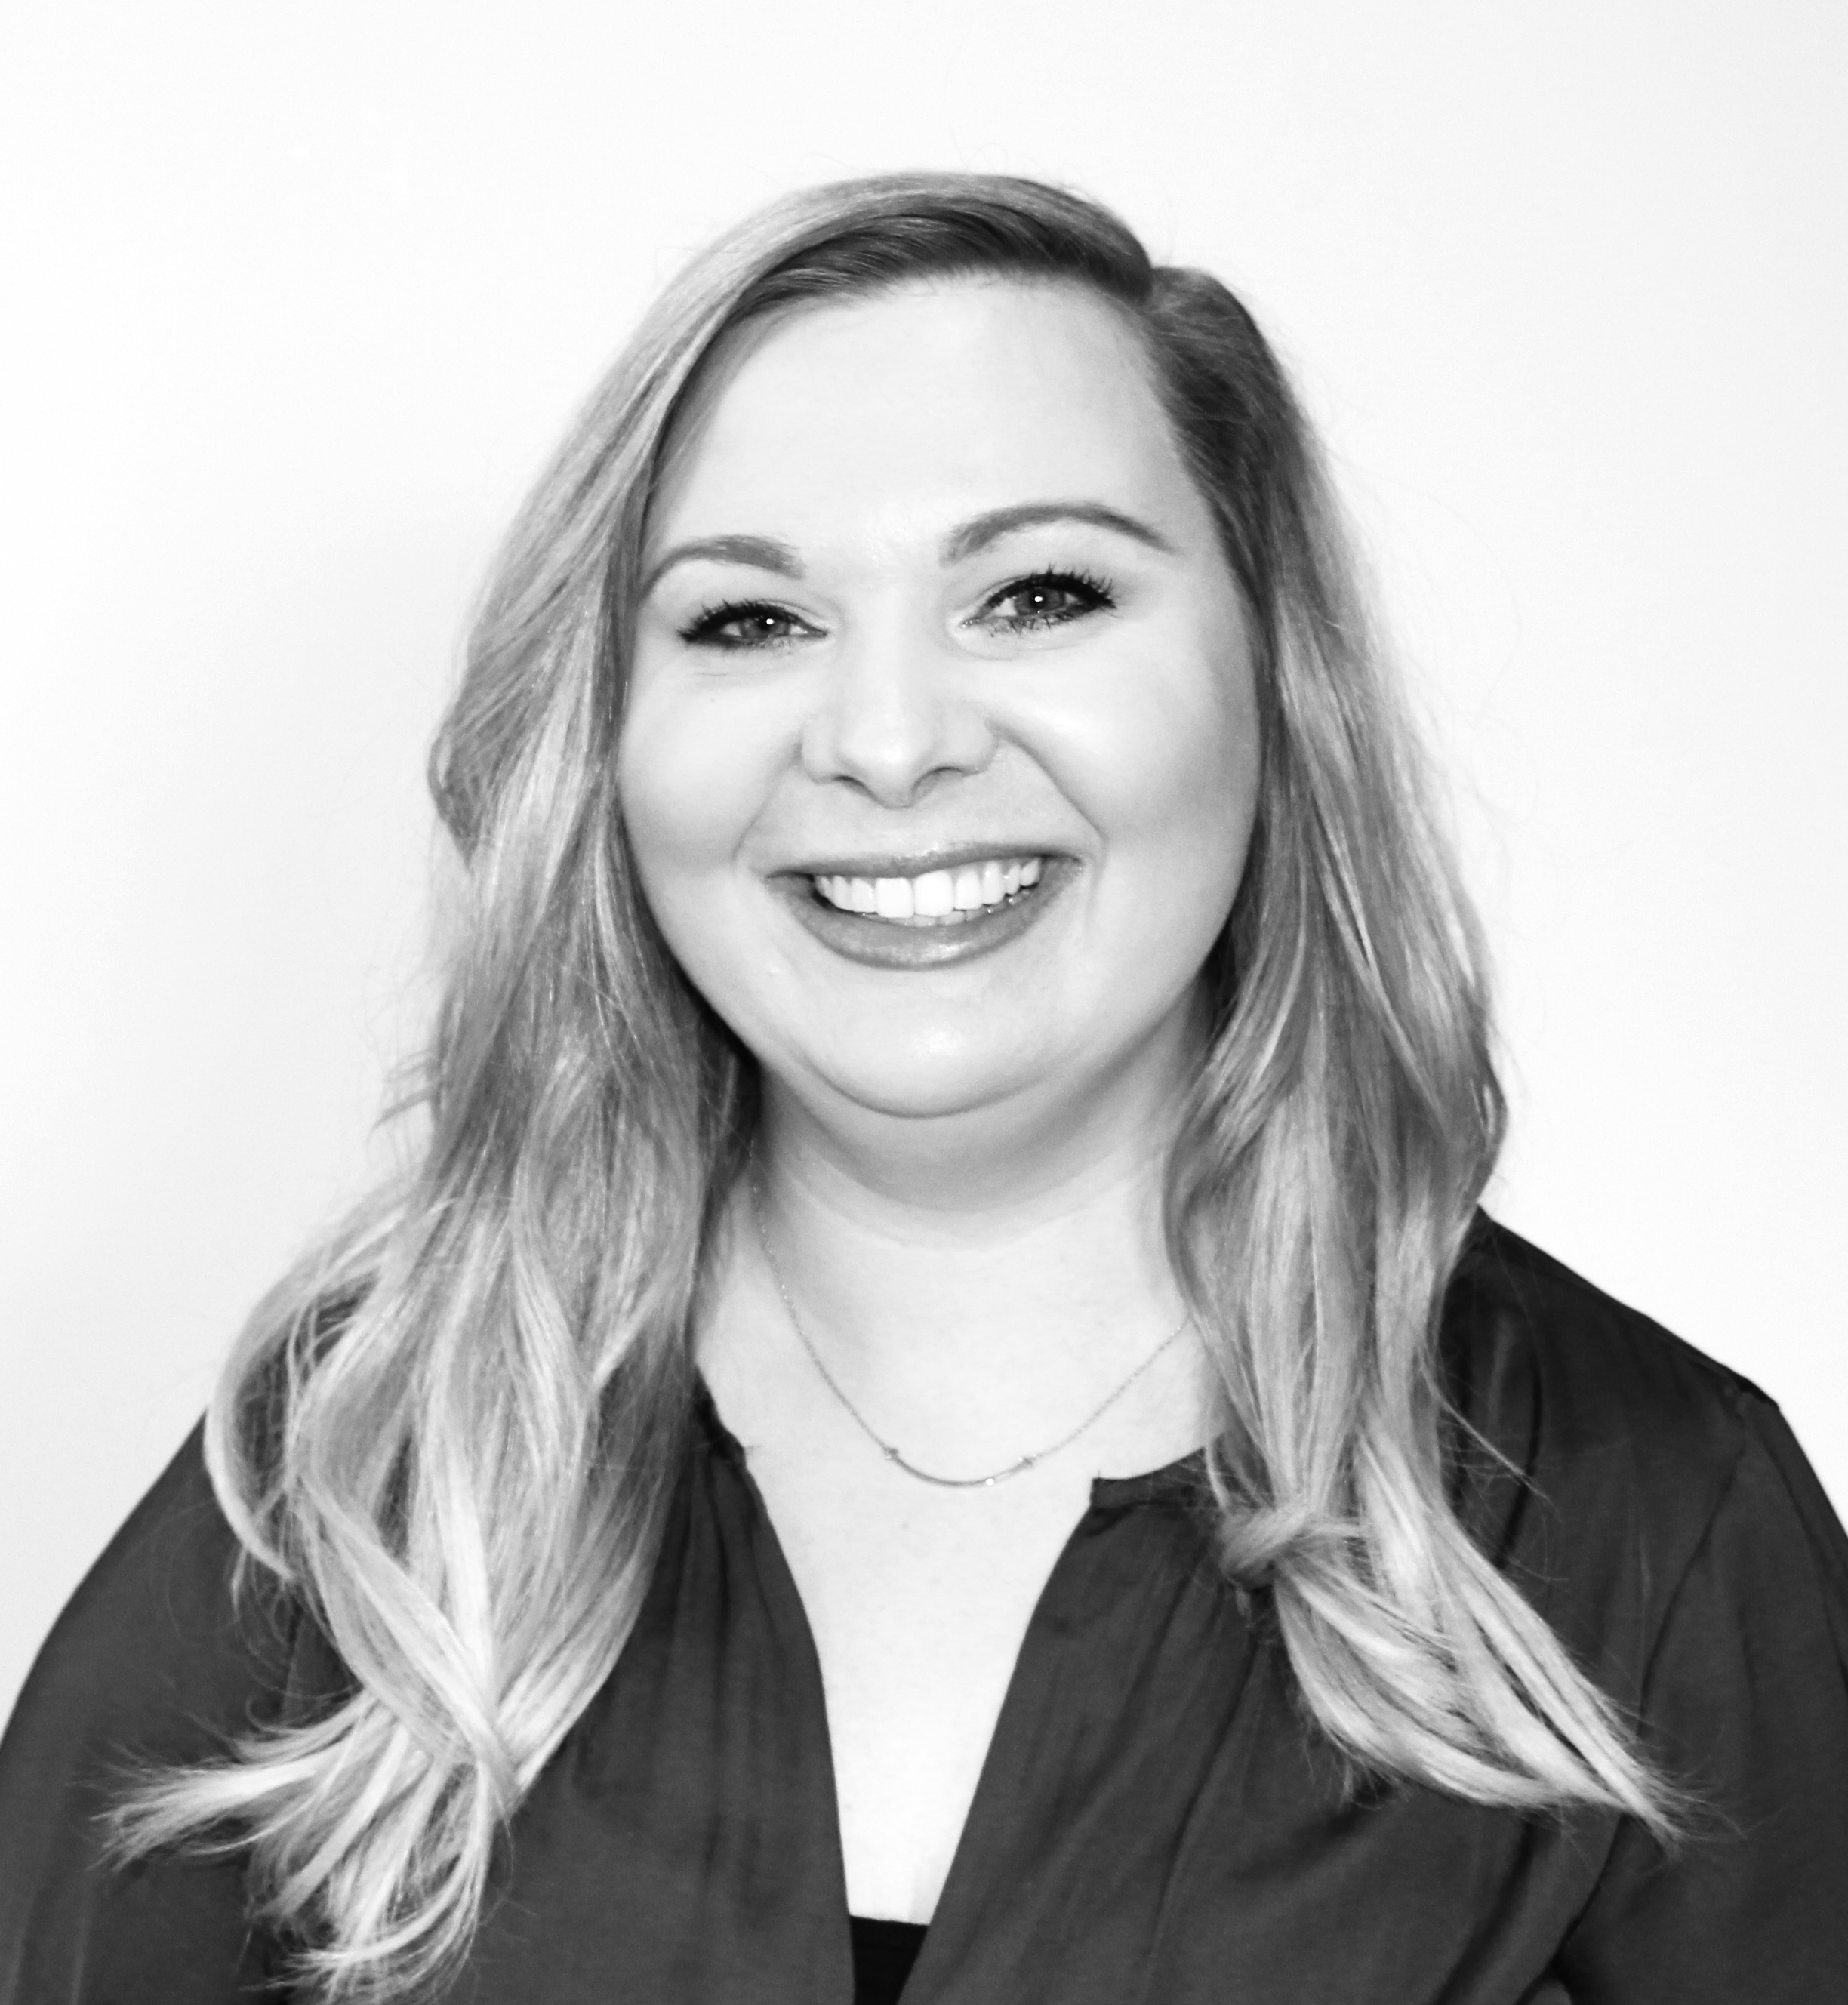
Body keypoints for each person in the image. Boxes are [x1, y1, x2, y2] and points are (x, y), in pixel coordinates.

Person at [1, 172, 1844, 2005]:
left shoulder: (1649, 1516)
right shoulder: (351, 1477)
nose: (887, 741)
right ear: (611, 745)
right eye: (748, 621)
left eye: (1040, 593)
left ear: (1276, 681)